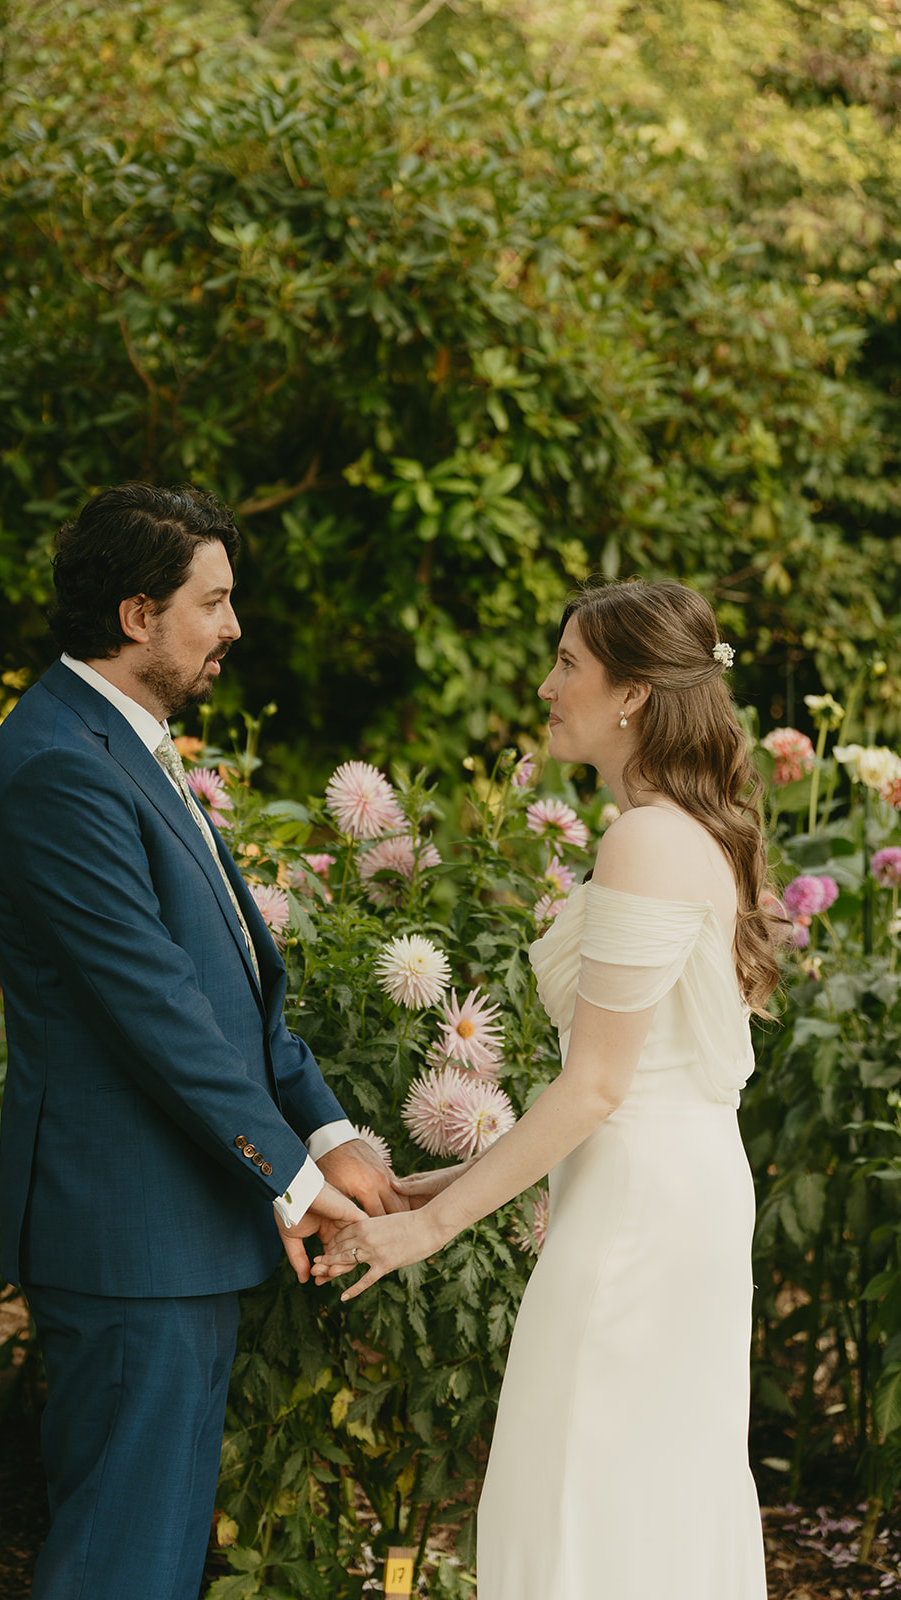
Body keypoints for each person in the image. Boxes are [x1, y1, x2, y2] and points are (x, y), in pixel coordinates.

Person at [0, 482, 399, 1600]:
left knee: (152, 1561)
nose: (232, 626)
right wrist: (296, 1178)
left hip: (174, 1230)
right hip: (126, 1236)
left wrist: (327, 1126)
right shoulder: (60, 763)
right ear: (135, 614)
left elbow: (235, 986)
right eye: (212, 601)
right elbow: (154, 1007)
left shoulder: (126, 741)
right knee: (120, 1565)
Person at [312, 579, 777, 1600]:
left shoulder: (647, 838)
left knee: (580, 1482)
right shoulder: (676, 830)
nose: (544, 683)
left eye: (568, 662)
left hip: (641, 1212)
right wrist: (454, 1178)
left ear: (634, 696)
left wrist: (427, 1233)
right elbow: (624, 1081)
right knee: (623, 1484)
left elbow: (599, 1085)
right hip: (661, 1185)